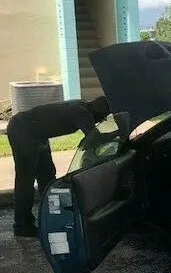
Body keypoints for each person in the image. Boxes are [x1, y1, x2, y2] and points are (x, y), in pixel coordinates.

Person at [7, 97, 110, 237]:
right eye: (102, 118)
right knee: (25, 180)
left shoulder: (81, 104)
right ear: (99, 113)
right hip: (23, 129)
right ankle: (22, 225)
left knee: (47, 176)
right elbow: (95, 138)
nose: (100, 121)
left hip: (35, 132)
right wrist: (117, 136)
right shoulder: (83, 113)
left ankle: (50, 217)